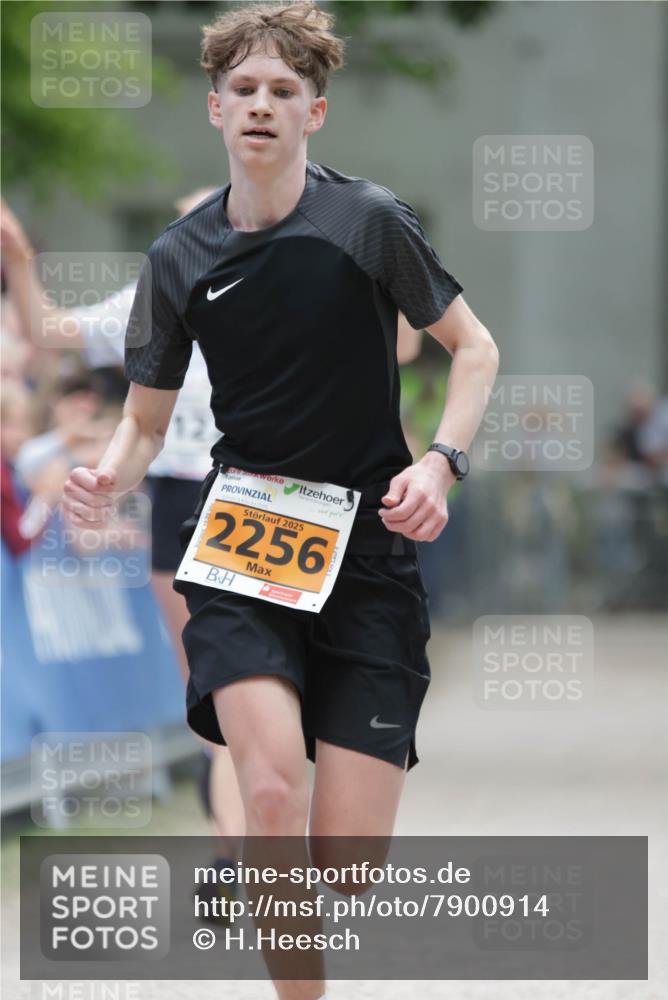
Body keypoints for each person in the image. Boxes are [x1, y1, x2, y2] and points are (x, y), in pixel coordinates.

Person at [61, 3, 499, 997]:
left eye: (283, 92)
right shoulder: (176, 258)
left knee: (344, 863)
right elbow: (141, 420)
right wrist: (109, 478)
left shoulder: (369, 222)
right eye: (244, 91)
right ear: (215, 109)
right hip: (246, 540)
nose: (261, 106)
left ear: (315, 113)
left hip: (368, 552)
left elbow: (474, 349)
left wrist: (437, 462)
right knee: (265, 787)